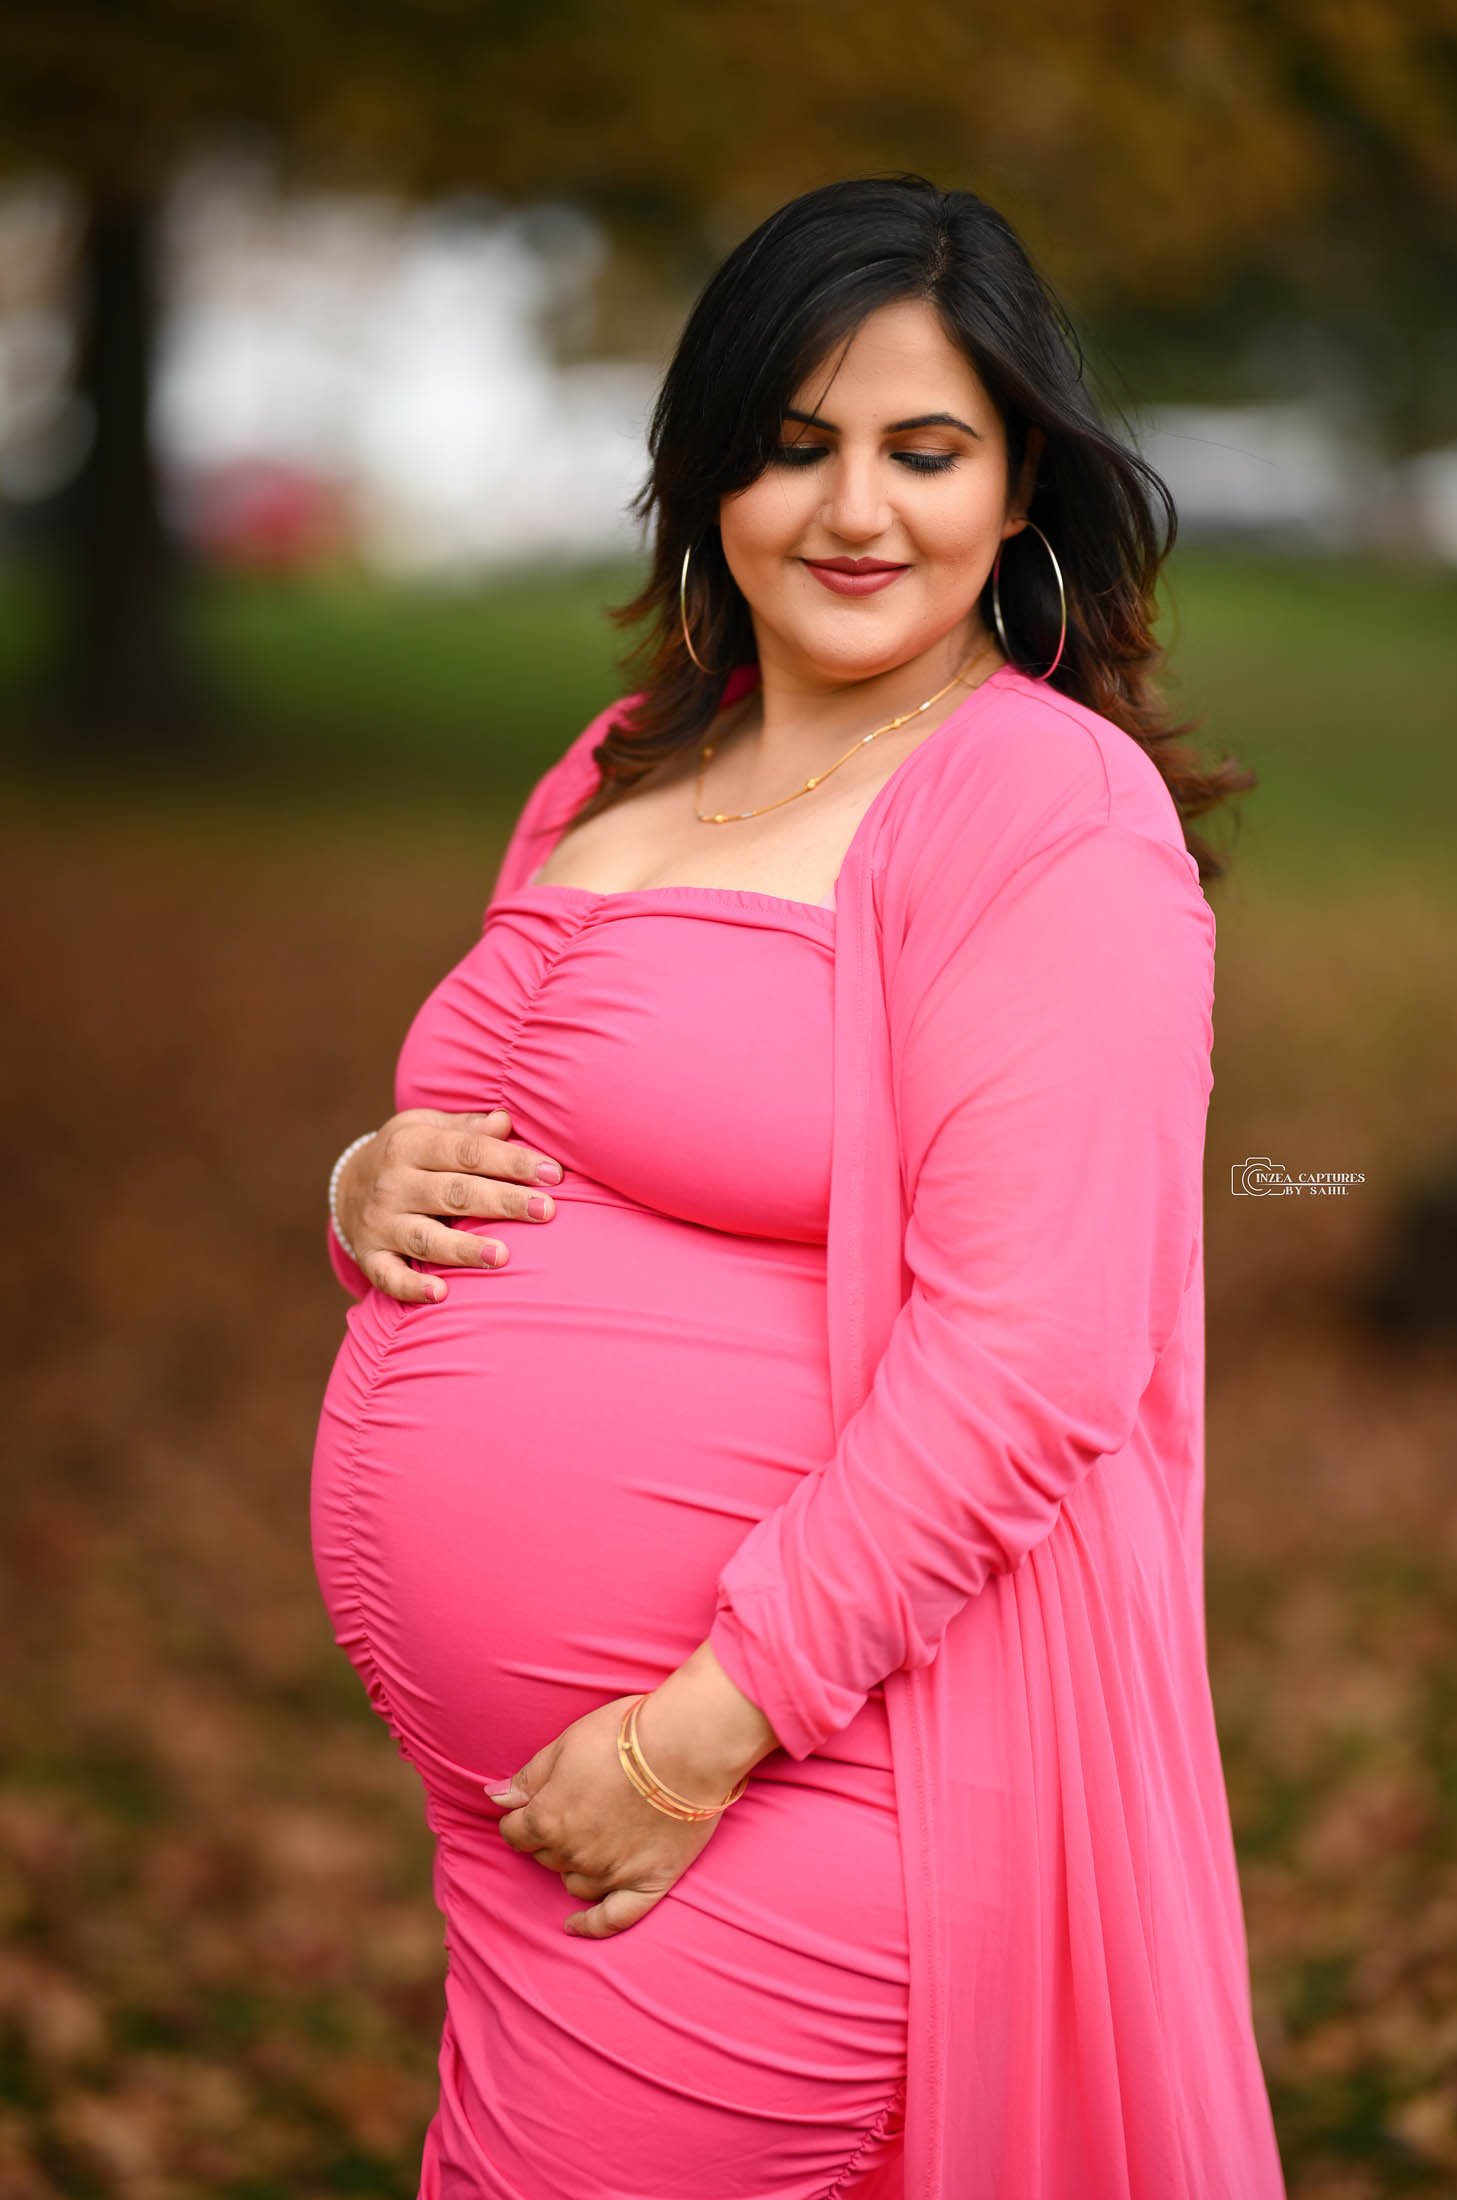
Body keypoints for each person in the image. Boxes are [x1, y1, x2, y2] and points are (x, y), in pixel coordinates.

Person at [311, 173, 1285, 2199]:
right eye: (791, 443)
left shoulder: (1043, 809)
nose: (854, 509)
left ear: (1018, 487)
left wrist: (689, 1737)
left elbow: (1033, 1351)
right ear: (706, 471)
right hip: (523, 1816)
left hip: (779, 1786)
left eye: (923, 451)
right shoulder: (613, 761)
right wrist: (363, 1174)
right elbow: (521, 1122)